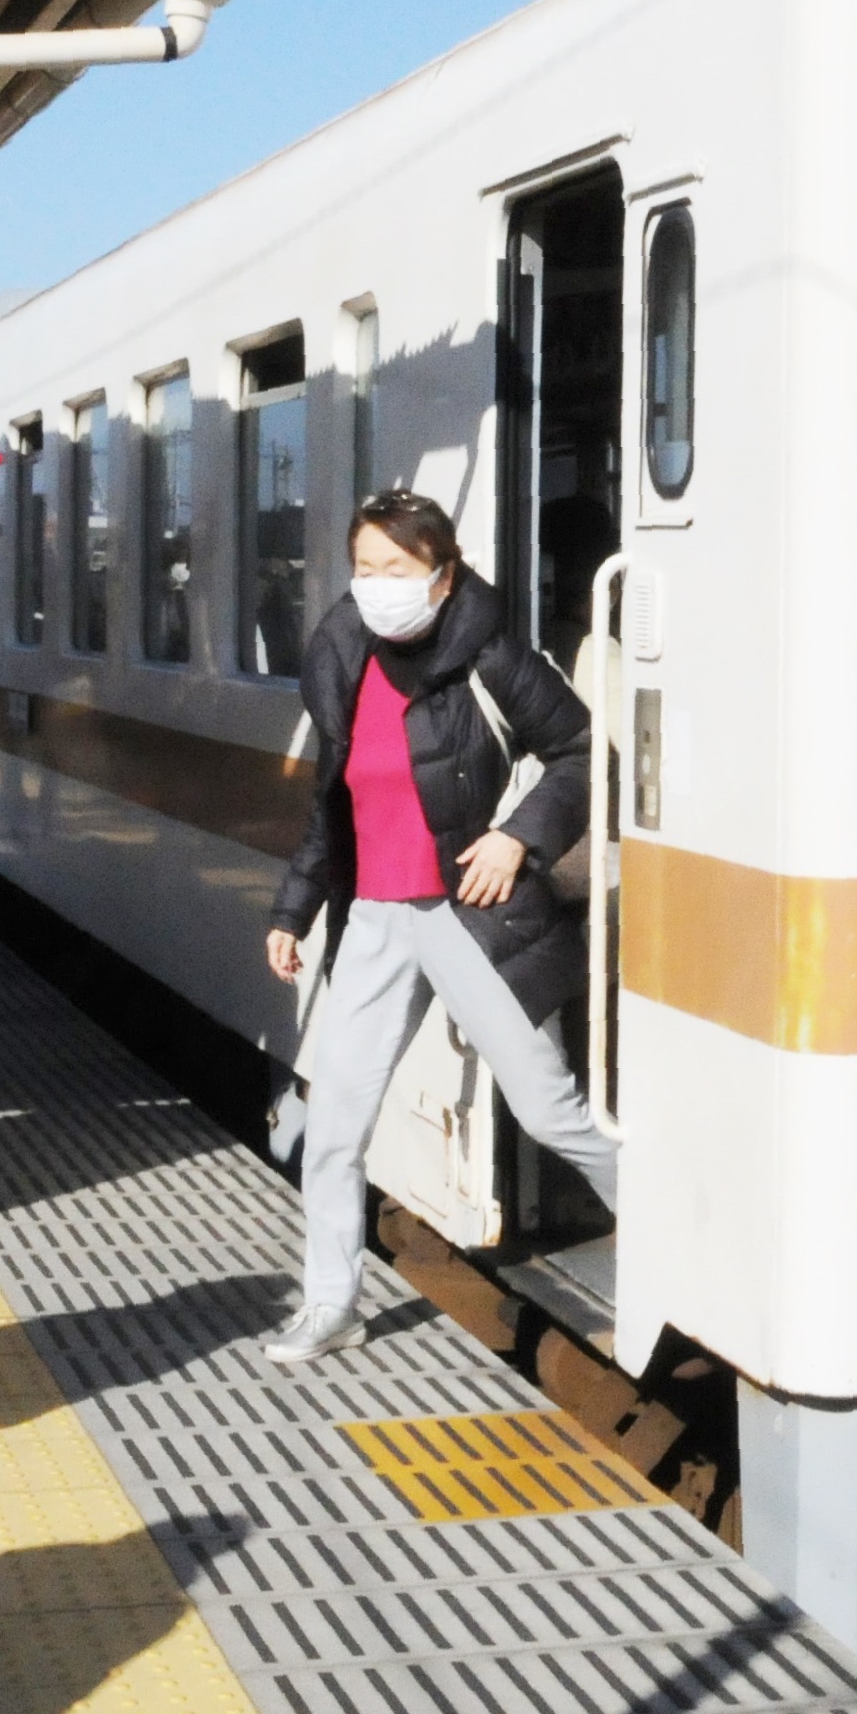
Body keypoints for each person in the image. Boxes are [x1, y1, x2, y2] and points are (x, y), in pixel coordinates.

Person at [263, 492, 618, 1364]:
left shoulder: (490, 655)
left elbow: (581, 750)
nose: (380, 588)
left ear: (443, 573)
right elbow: (333, 807)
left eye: (400, 571)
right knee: (334, 1125)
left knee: (550, 1112)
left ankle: (673, 1241)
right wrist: (294, 909)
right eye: (366, 570)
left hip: (470, 916)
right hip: (378, 922)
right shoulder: (344, 657)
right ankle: (331, 1303)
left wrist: (517, 839)